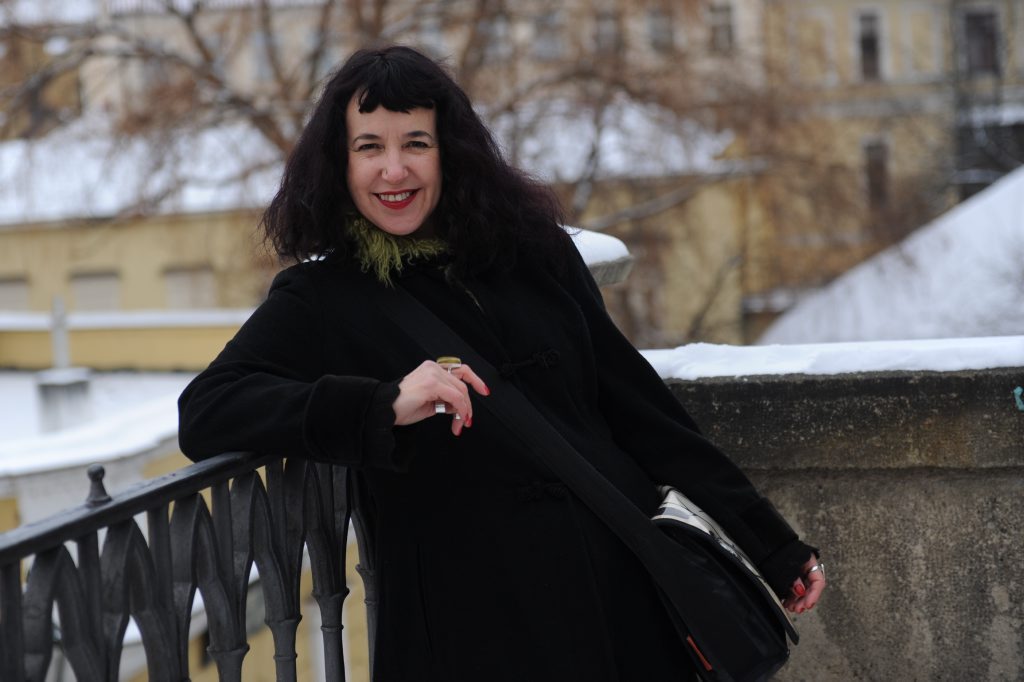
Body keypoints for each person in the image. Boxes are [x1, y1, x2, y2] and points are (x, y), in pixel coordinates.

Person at [178, 45, 825, 681]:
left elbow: (642, 409)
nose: (394, 170)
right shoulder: (323, 297)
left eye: (416, 143)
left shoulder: (534, 252)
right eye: (369, 147)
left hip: (620, 601)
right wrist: (380, 405)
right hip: (472, 632)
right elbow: (207, 410)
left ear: (450, 152)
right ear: (339, 163)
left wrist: (770, 545)